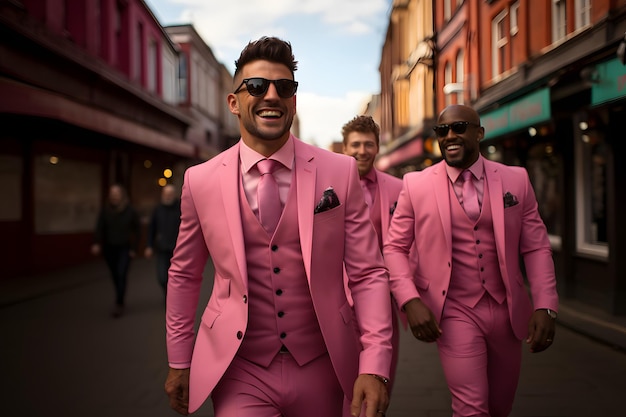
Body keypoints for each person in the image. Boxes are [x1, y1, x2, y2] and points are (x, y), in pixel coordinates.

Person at [164, 36, 393, 417]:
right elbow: (185, 274)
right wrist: (179, 358)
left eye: (283, 87)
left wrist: (375, 364)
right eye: (256, 86)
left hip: (322, 362)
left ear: (294, 101)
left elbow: (368, 272)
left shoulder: (339, 170)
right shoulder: (199, 181)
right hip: (240, 367)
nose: (271, 95)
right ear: (234, 103)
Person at [383, 104, 559, 417]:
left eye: (459, 127)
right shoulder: (416, 184)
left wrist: (545, 304)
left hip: (507, 310)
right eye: (442, 130)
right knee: (471, 409)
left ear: (479, 133)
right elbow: (394, 247)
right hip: (454, 311)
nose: (450, 135)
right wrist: (410, 300)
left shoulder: (515, 179)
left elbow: (536, 247)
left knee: (500, 407)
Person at [341, 115, 403, 394]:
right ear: (344, 148)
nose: (361, 151)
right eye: (355, 144)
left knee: (381, 374)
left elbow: (409, 243)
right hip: (339, 297)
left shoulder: (399, 188)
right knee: (343, 377)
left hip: (384, 296)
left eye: (368, 144)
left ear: (378, 148)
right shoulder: (328, 187)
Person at [91, 184, 140, 318]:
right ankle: (120, 295)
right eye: (112, 193)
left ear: (122, 195)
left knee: (121, 273)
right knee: (115, 274)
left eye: (116, 193)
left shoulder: (130, 211)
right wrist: (96, 243)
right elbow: (99, 227)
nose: (114, 196)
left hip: (125, 248)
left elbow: (137, 230)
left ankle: (119, 302)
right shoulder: (105, 211)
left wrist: (134, 248)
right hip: (109, 248)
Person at [144, 184, 181, 298]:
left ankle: (172, 298)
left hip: (178, 249)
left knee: (177, 276)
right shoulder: (158, 209)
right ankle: (168, 293)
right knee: (162, 277)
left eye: (170, 194)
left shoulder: (181, 208)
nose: (168, 196)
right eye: (166, 194)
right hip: (162, 248)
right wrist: (149, 246)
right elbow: (152, 228)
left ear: (174, 195)